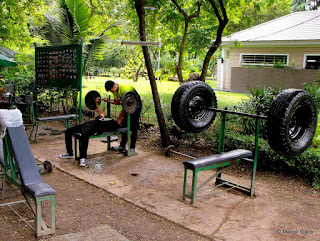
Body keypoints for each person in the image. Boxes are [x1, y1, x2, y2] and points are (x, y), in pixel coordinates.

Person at [59, 97, 125, 167]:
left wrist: (124, 105)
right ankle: (69, 153)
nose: (116, 117)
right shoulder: (109, 119)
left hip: (95, 128)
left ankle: (83, 158)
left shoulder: (116, 124)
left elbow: (121, 115)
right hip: (88, 125)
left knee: (84, 136)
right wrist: (97, 103)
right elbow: (101, 114)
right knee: (68, 131)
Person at [103, 80, 142, 154]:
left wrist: (120, 116)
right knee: (124, 125)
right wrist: (108, 101)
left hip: (136, 106)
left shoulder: (125, 89)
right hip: (127, 106)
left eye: (111, 90)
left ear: (114, 86)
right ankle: (122, 146)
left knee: (134, 127)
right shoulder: (115, 91)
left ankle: (132, 148)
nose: (111, 92)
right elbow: (117, 102)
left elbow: (127, 105)